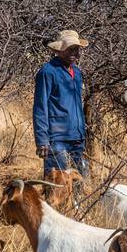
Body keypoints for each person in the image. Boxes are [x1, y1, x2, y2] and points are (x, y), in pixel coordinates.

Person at [33, 29, 89, 181]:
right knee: (57, 185)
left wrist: (82, 132)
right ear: (59, 50)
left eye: (76, 49)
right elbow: (40, 107)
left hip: (77, 138)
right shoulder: (47, 72)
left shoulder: (76, 72)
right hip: (56, 139)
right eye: (69, 48)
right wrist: (42, 140)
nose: (73, 52)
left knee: (79, 181)